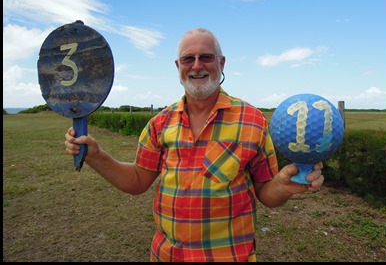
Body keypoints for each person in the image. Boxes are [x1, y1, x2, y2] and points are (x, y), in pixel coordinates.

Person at [65, 28, 324, 262]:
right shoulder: (159, 124)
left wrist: (282, 186)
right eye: (188, 59)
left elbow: (267, 194)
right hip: (166, 256)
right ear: (178, 66)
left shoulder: (252, 120)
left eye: (206, 57)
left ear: (221, 63)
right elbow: (136, 181)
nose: (197, 65)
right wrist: (96, 156)